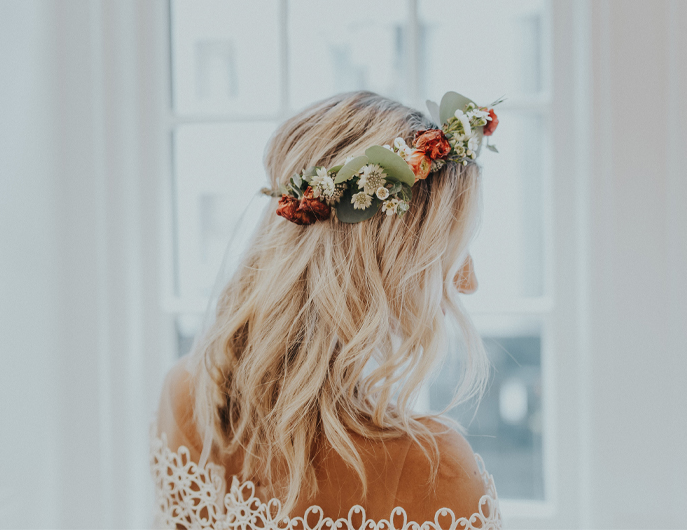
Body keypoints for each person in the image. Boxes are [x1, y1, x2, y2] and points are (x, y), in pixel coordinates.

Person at [150, 91, 503, 529]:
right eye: (452, 251)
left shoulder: (188, 395)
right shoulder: (433, 472)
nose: (469, 281)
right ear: (382, 264)